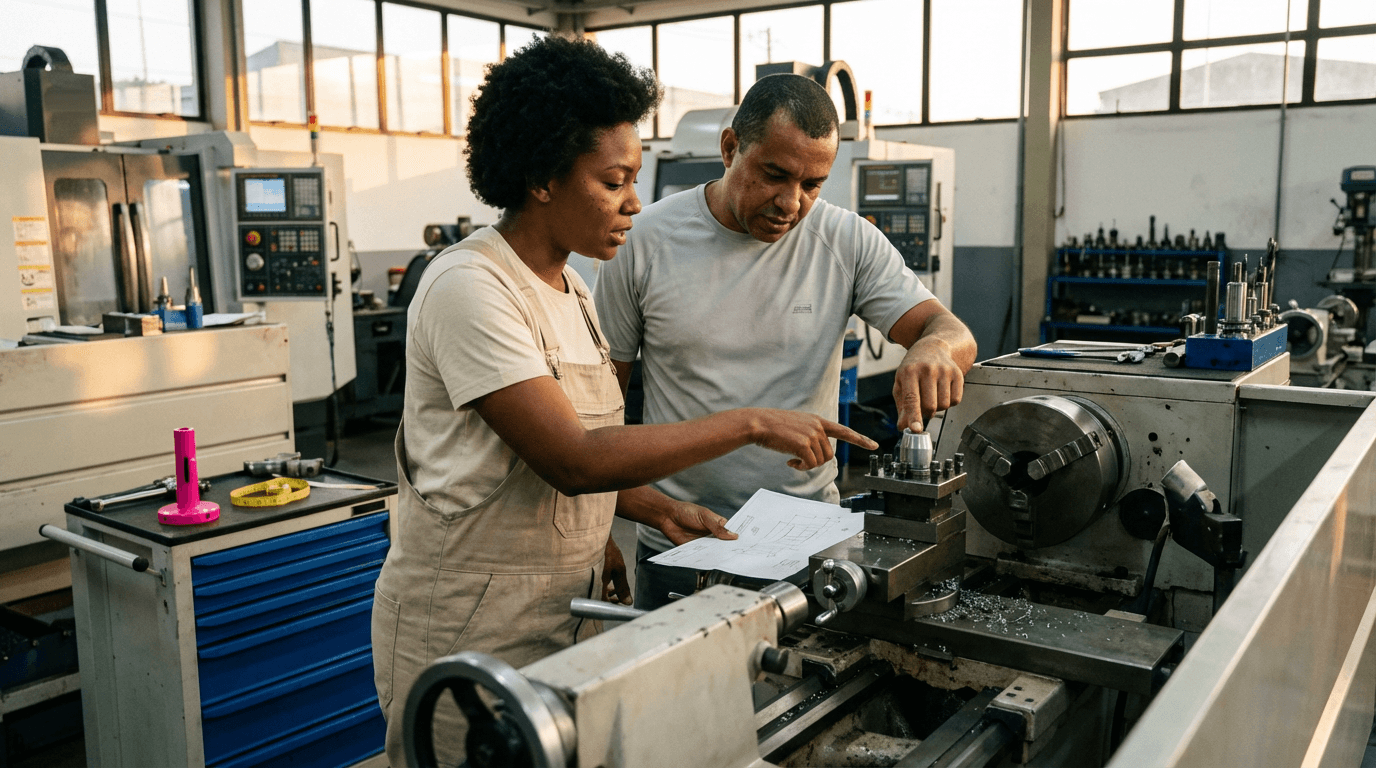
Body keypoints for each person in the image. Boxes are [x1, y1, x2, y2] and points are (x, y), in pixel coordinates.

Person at [370, 38, 876, 766]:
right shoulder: (469, 289)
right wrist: (753, 422)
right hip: (469, 621)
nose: (635, 203)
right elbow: (572, 459)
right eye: (614, 182)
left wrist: (652, 509)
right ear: (544, 178)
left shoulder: (571, 290)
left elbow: (571, 455)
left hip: (564, 610)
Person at [593, 73, 978, 611]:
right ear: (730, 148)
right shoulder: (645, 239)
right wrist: (600, 529)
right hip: (677, 539)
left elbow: (952, 332)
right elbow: (597, 406)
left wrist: (935, 349)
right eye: (775, 175)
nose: (791, 203)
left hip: (807, 546)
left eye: (813, 183)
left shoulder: (846, 240)